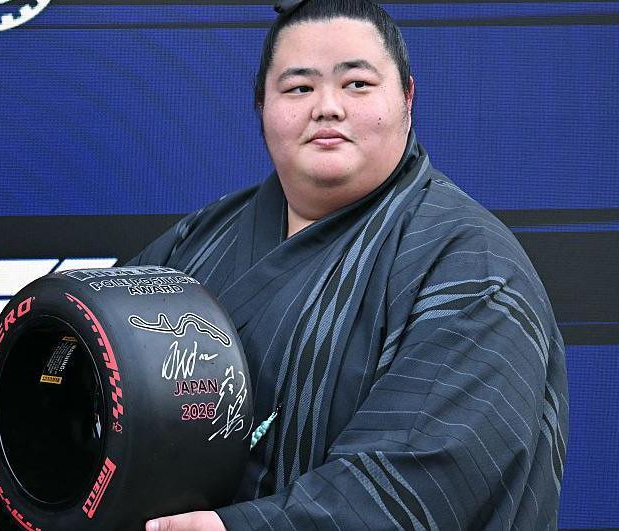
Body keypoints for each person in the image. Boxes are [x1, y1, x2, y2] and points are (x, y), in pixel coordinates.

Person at [136, 1, 568, 529]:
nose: (327, 107)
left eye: (357, 84)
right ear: (262, 107)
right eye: (299, 88)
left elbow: (428, 477)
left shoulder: (469, 262)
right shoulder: (199, 240)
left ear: (408, 98)